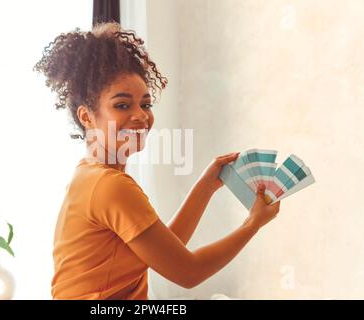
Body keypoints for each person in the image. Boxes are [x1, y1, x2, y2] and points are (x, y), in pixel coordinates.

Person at [33, 22, 281, 300]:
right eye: (123, 105)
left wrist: (206, 185)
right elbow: (188, 272)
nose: (141, 116)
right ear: (86, 116)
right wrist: (253, 223)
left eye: (146, 104)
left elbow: (166, 250)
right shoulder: (109, 186)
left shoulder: (91, 176)